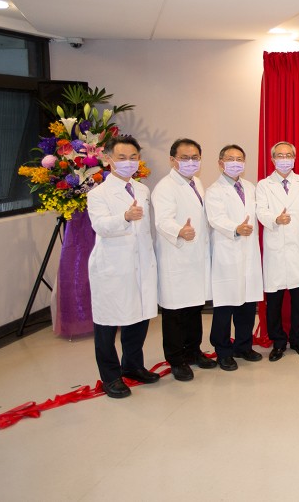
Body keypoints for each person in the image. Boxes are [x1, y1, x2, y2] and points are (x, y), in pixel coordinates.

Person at [87, 135, 159, 399]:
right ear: (108, 159)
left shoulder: (142, 190)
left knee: (138, 317)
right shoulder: (98, 194)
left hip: (140, 262)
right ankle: (110, 376)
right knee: (107, 323)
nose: (128, 162)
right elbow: (100, 226)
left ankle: (133, 365)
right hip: (112, 266)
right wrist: (125, 217)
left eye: (133, 157)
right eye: (122, 158)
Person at [153, 138, 215, 382]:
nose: (191, 162)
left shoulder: (196, 182)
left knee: (193, 308)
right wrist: (179, 230)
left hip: (195, 257)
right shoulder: (165, 187)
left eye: (195, 158)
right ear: (173, 160)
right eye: (185, 158)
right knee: (175, 311)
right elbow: (162, 220)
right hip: (176, 256)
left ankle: (193, 351)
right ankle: (176, 359)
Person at [255, 141, 299, 361]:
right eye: (280, 155)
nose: (284, 159)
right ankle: (278, 342)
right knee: (274, 300)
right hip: (275, 248)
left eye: (288, 155)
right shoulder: (264, 185)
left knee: (298, 298)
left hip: (298, 247)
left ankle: (298, 339)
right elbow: (260, 211)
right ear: (272, 159)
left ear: (294, 158)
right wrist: (276, 219)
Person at [205, 144, 263, 371]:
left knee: (247, 304)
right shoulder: (214, 190)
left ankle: (243, 346)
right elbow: (215, 218)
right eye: (230, 159)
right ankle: (223, 351)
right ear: (221, 163)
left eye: (240, 159)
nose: (236, 163)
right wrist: (235, 228)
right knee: (225, 306)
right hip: (227, 252)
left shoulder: (250, 187)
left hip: (249, 252)